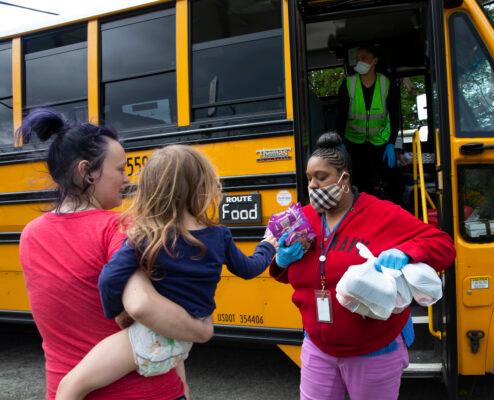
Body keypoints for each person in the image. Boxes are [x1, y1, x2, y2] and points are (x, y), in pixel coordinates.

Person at [55, 144, 278, 400]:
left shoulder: (146, 237)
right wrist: (267, 247)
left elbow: (109, 278)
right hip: (186, 337)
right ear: (202, 187)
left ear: (150, 190)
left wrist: (116, 313)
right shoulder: (220, 236)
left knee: (69, 388)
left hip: (149, 337)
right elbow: (249, 269)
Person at [18, 109, 214, 400]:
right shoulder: (119, 227)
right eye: (120, 169)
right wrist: (201, 330)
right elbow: (142, 307)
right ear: (87, 171)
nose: (127, 178)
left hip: (63, 387)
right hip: (142, 393)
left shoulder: (30, 234)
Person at [270, 132, 455, 400]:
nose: (313, 186)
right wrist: (281, 261)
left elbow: (443, 245)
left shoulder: (381, 213)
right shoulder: (303, 219)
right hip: (318, 348)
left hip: (373, 351)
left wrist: (406, 252)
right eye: (309, 178)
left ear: (344, 179)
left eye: (322, 178)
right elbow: (287, 274)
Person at [336, 46, 400, 195]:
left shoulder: (386, 84)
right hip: (353, 142)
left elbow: (395, 116)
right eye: (358, 59)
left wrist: (391, 143)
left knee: (393, 180)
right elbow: (340, 117)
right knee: (357, 182)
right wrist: (341, 143)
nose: (360, 61)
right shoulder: (348, 84)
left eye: (364, 58)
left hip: (379, 141)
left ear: (375, 61)